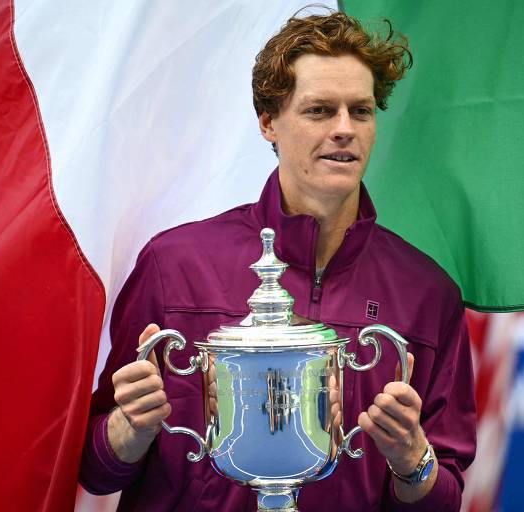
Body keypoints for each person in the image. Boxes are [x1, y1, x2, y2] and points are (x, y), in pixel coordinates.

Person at [80, 10, 476, 511]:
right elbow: (95, 471)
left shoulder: (427, 293)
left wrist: (412, 459)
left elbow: (443, 500)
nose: (344, 129)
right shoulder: (174, 266)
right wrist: (127, 430)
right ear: (268, 122)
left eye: (361, 110)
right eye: (319, 110)